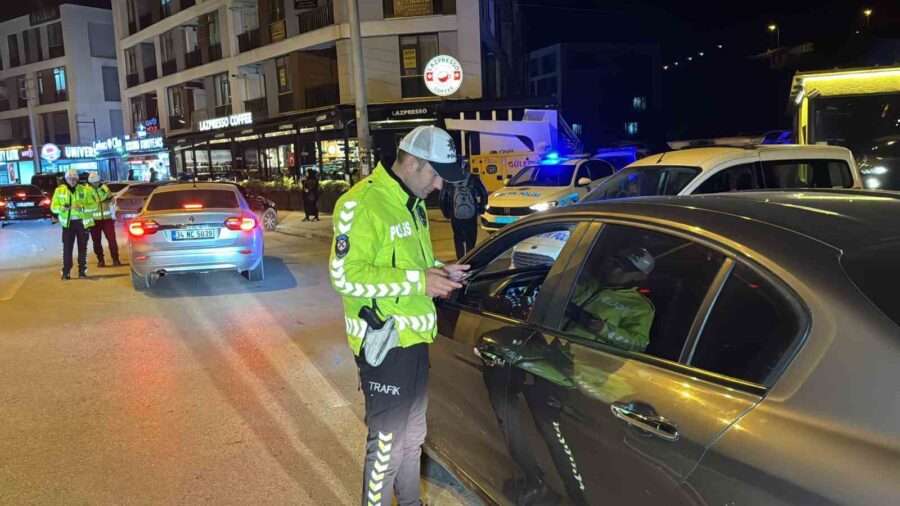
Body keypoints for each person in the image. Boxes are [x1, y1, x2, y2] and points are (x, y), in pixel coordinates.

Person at [330, 125, 470, 506]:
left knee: (413, 438)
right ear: (411, 162)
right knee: (388, 446)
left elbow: (416, 264)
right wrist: (418, 282)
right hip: (386, 345)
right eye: (436, 173)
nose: (440, 185)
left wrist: (441, 271)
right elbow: (345, 276)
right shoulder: (361, 203)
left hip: (415, 342)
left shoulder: (412, 203)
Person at [564, 246, 656, 352]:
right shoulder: (589, 283)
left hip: (577, 360)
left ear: (640, 276)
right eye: (615, 263)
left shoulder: (640, 307)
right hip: (548, 344)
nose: (615, 270)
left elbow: (639, 344)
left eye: (624, 268)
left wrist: (604, 330)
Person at [50, 170, 98, 279]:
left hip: (81, 223)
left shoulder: (85, 190)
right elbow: (53, 207)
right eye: (70, 179)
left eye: (74, 179)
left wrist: (83, 207)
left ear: (77, 179)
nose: (72, 181)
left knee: (82, 248)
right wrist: (62, 208)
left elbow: (94, 206)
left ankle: (82, 270)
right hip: (68, 224)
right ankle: (66, 271)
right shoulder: (59, 191)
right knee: (67, 248)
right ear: (66, 180)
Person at [439, 168, 488, 259]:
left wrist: (446, 213)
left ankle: (460, 260)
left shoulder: (449, 179)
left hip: (455, 214)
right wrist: (481, 209)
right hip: (471, 214)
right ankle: (469, 260)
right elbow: (484, 194)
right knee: (471, 237)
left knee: (458, 238)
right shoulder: (473, 178)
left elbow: (442, 198)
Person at [87, 172, 121, 268]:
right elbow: (85, 204)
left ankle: (116, 259)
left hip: (107, 219)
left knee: (112, 240)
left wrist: (110, 200)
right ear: (90, 182)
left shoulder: (104, 188)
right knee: (96, 241)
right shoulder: (86, 191)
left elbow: (112, 200)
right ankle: (100, 260)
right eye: (94, 183)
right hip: (94, 220)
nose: (96, 184)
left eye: (97, 182)